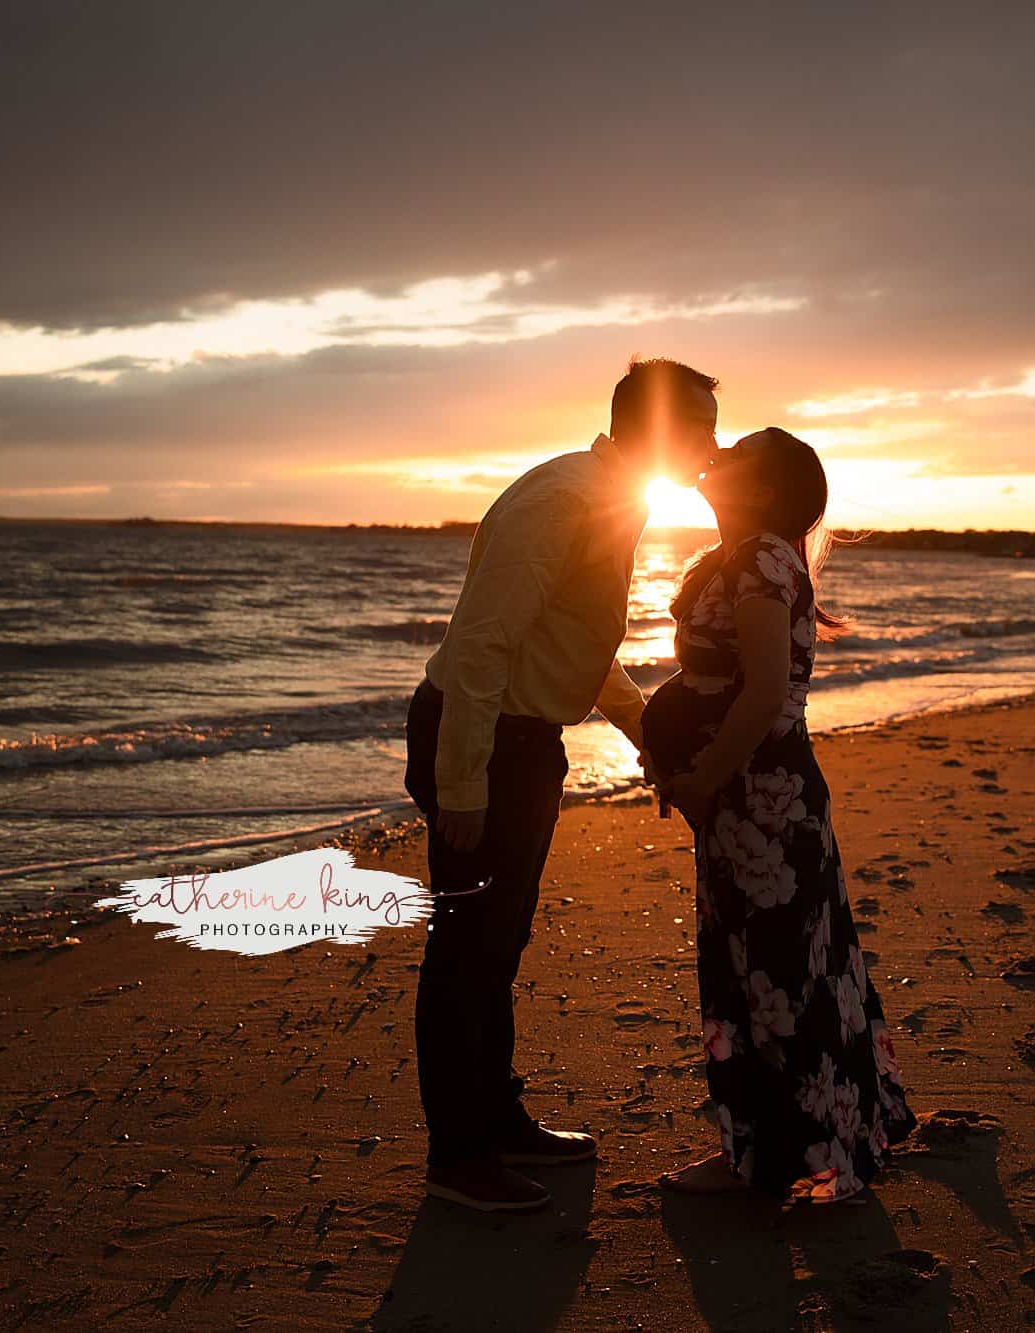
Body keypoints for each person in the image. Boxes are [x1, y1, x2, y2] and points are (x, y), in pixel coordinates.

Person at [403, 357, 721, 1212]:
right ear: (653, 427)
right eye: (700, 426)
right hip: (483, 741)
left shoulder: (618, 500)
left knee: (499, 944)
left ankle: (498, 1122)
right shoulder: (563, 498)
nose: (712, 446)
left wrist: (640, 724)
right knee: (467, 949)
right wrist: (462, 781)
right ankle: (458, 1159)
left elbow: (570, 638)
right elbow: (482, 644)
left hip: (523, 741)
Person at [640, 428, 916, 1201]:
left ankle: (766, 1161)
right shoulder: (747, 555)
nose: (716, 448)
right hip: (754, 800)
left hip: (761, 804)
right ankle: (787, 1148)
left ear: (761, 490)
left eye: (739, 449)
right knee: (775, 969)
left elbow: (762, 695)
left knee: (767, 975)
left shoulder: (761, 557)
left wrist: (698, 781)